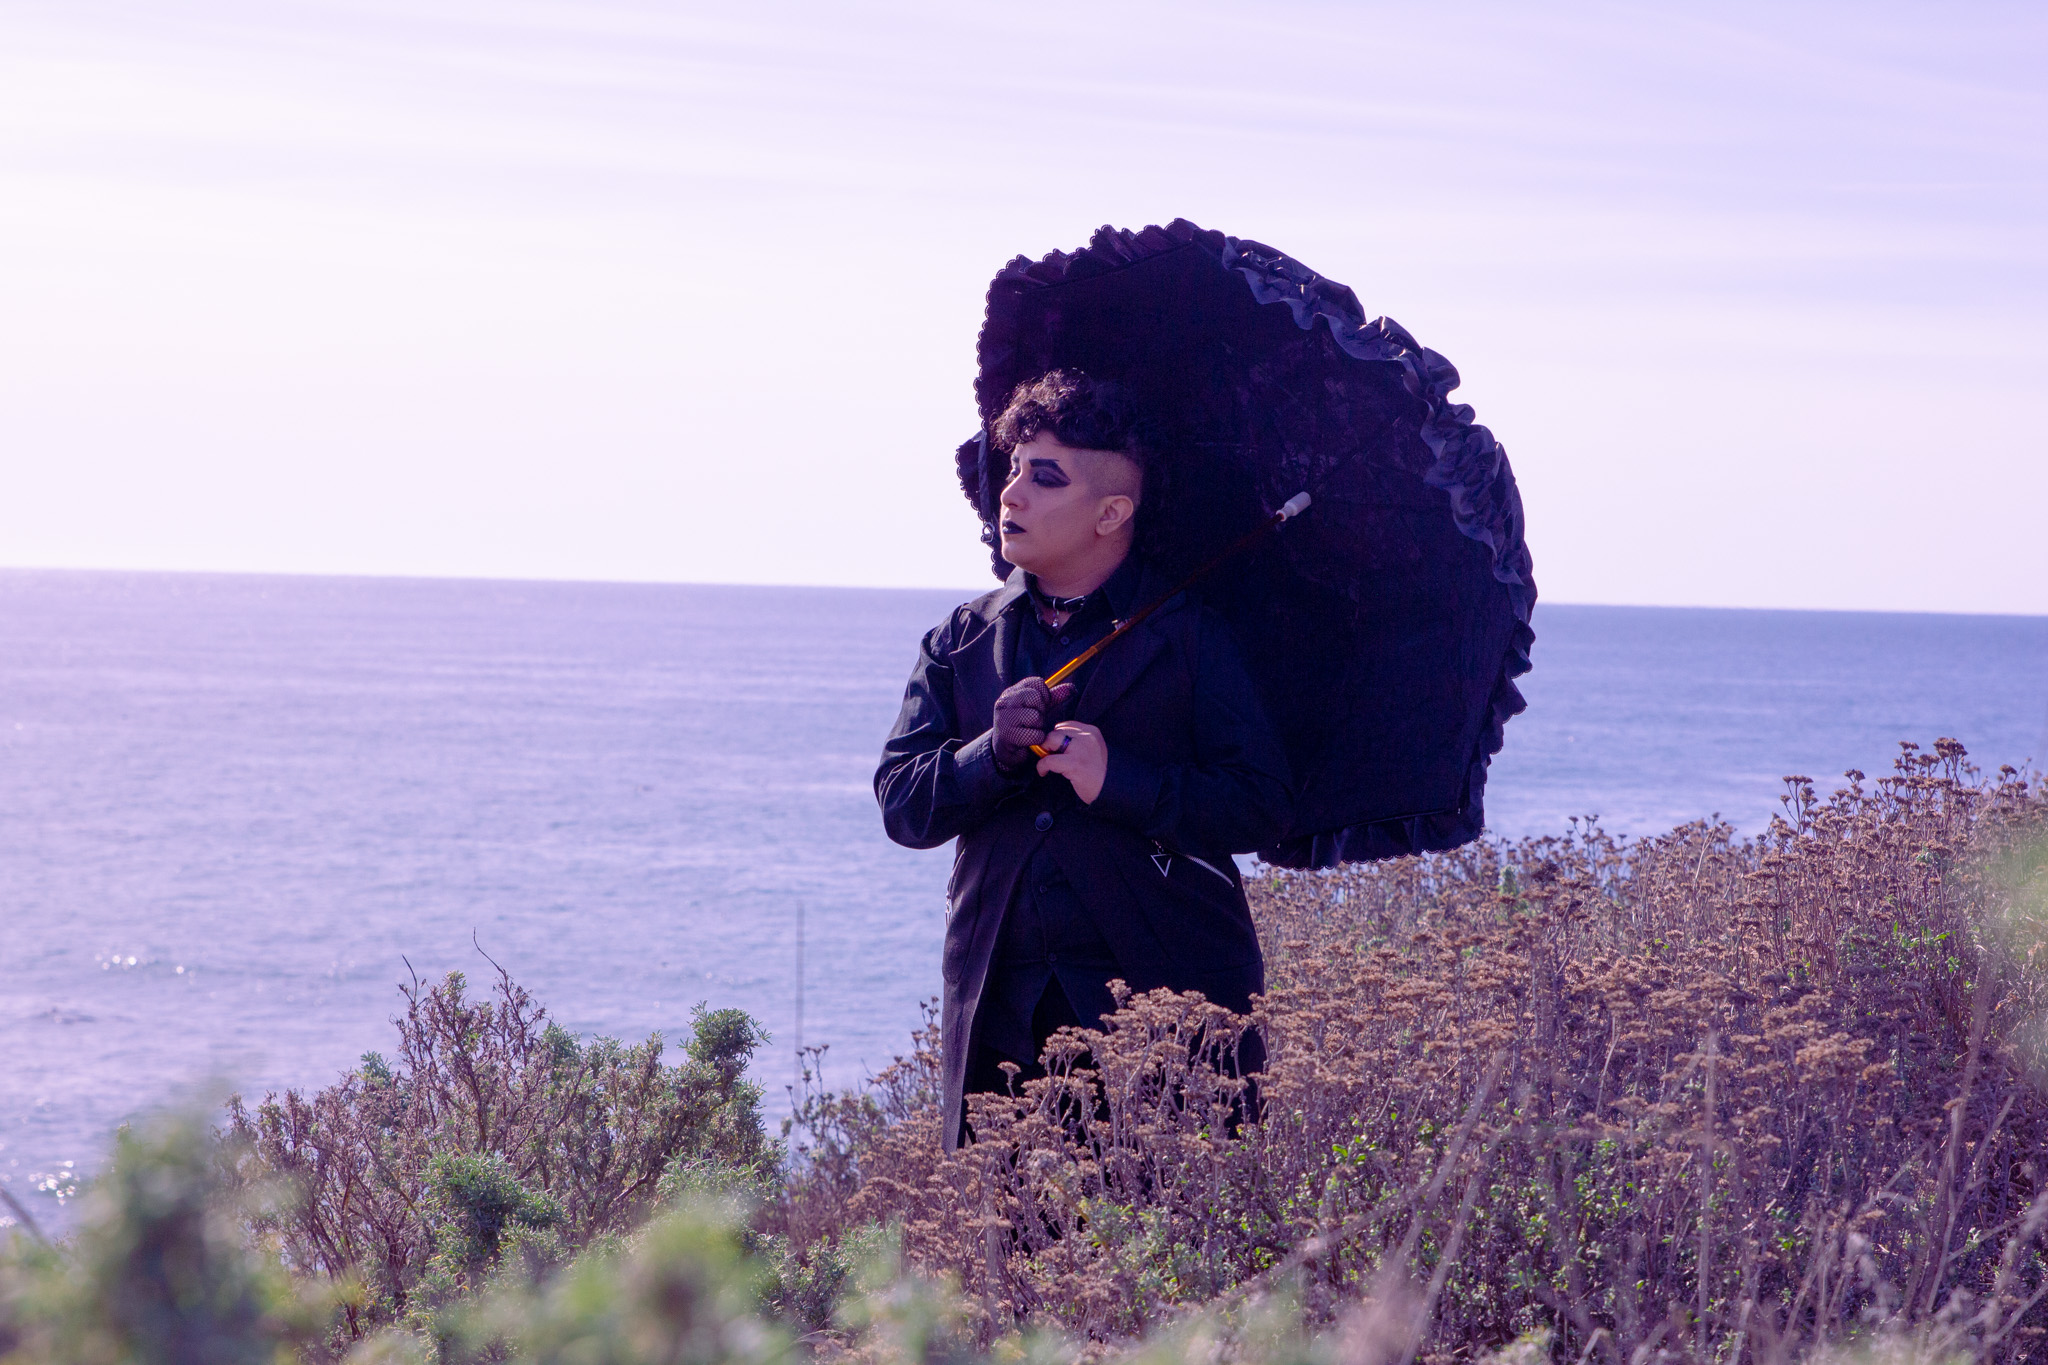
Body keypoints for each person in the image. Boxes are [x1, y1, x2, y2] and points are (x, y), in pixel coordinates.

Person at [875, 370, 1293, 1150]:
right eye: (1011, 470)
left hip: (1173, 1019)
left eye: (1045, 476)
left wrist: (1121, 781)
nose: (1012, 495)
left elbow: (1261, 802)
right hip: (1002, 1025)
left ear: (1111, 512)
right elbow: (902, 803)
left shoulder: (1192, 635)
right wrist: (990, 754)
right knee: (1023, 1265)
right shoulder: (961, 639)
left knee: (1183, 1260)